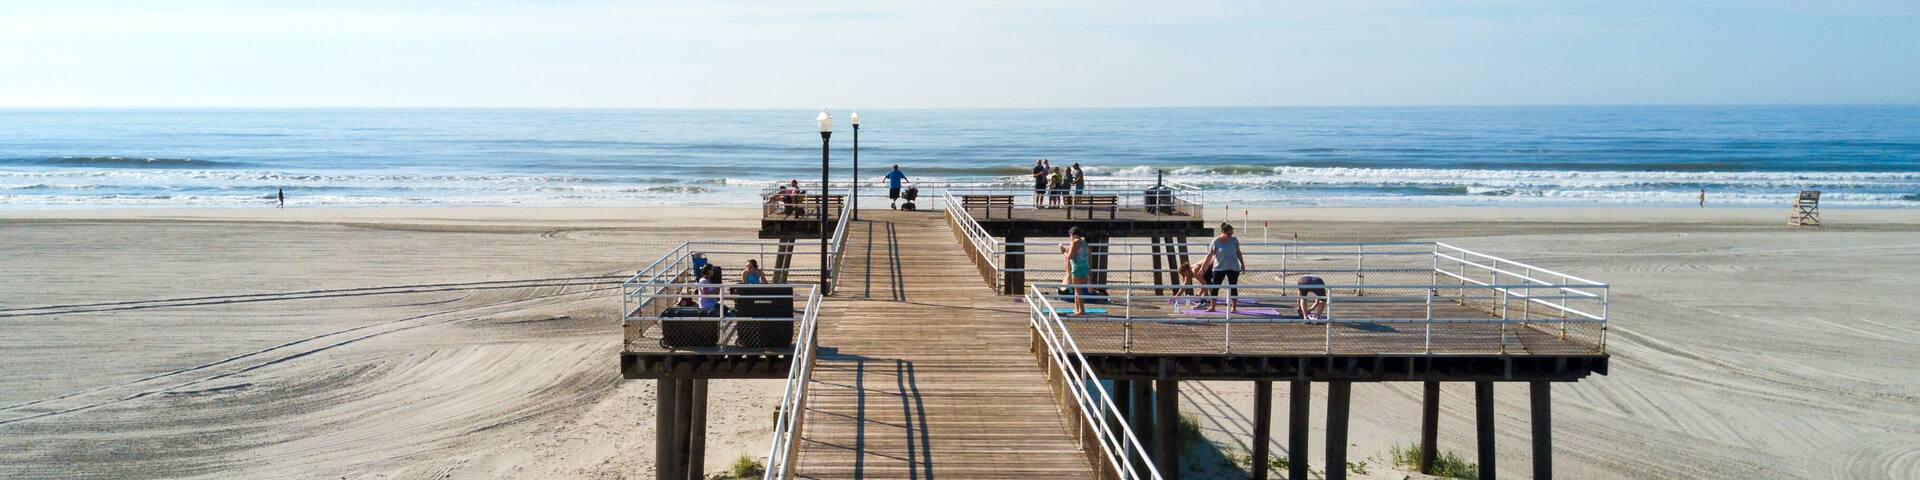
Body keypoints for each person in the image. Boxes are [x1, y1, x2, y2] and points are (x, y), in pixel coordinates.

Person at [1202, 223, 1245, 313]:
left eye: (1231, 233)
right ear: (1223, 232)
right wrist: (1204, 267)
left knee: (1233, 287)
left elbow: (1238, 252)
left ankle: (1234, 308)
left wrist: (1243, 264)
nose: (1231, 235)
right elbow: (1210, 255)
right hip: (1219, 267)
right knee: (1215, 287)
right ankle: (1213, 307)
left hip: (1233, 267)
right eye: (1229, 233)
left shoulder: (1234, 240)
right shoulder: (1216, 241)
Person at [1060, 226, 1091, 315]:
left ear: (1072, 234)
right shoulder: (1084, 242)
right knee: (1078, 290)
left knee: (1077, 291)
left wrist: (1063, 252)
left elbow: (1070, 256)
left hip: (1077, 268)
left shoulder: (1075, 242)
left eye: (1070, 236)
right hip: (1085, 267)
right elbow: (1088, 256)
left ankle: (1081, 310)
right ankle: (1077, 309)